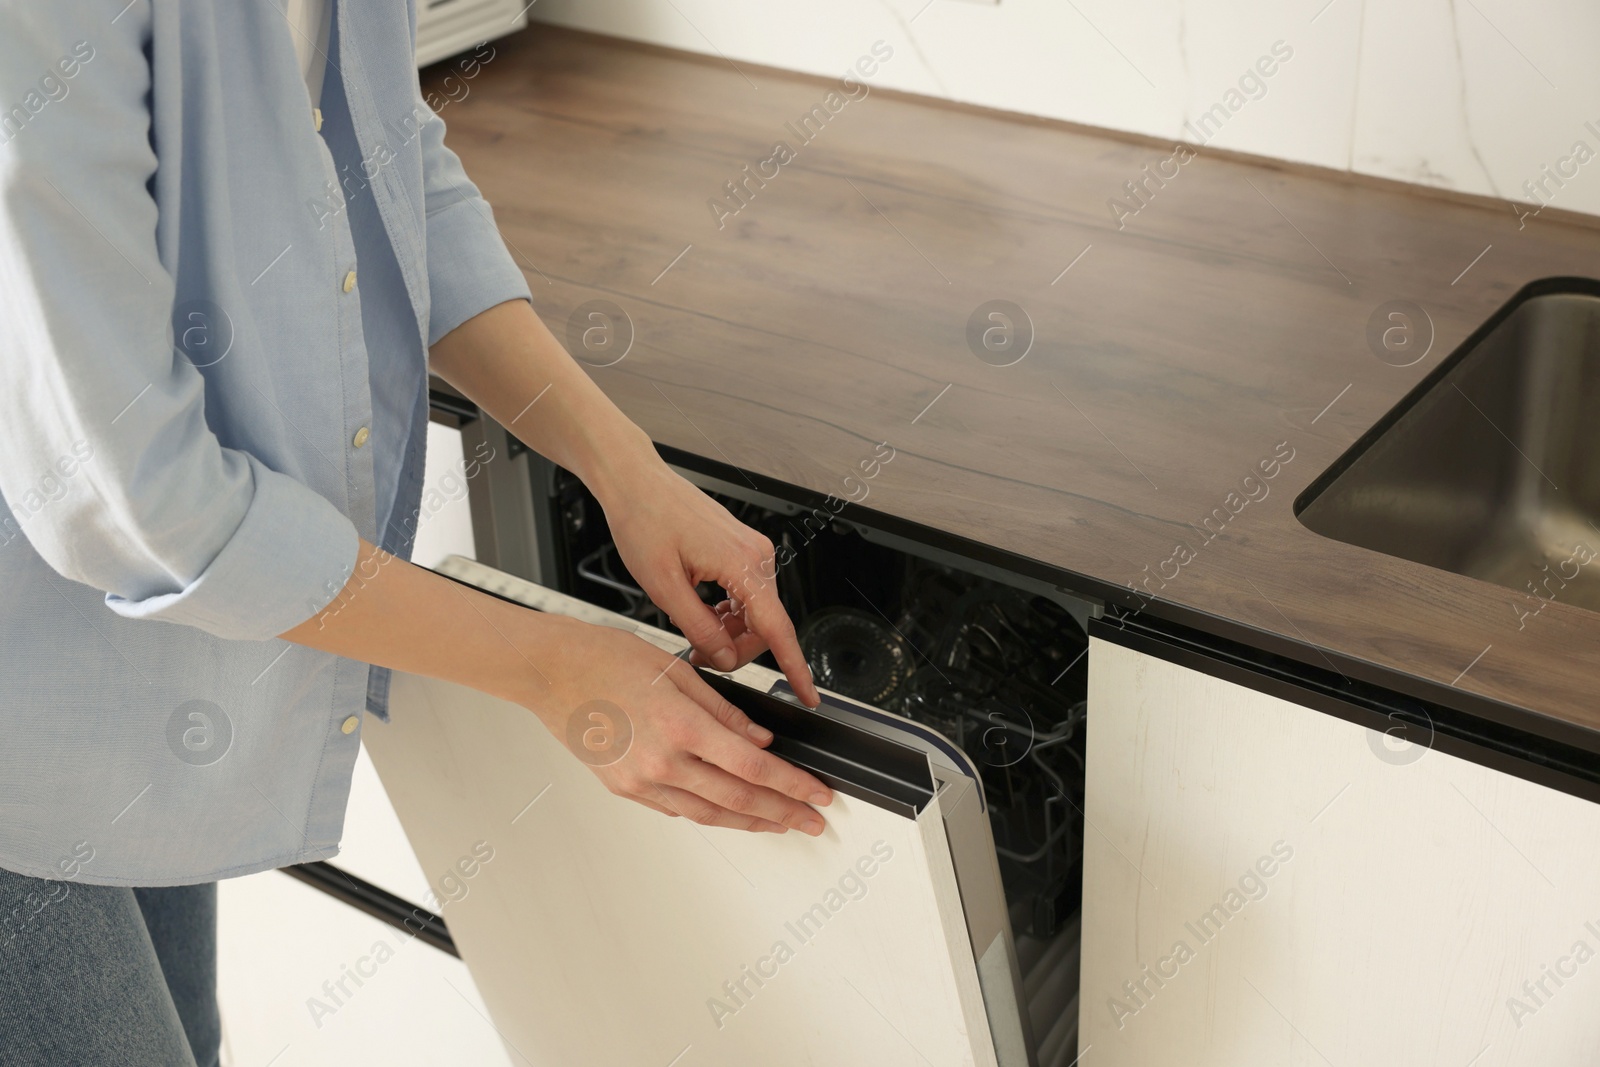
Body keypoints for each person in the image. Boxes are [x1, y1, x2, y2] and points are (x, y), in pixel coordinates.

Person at [0, 3, 832, 1063]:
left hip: (129, 670)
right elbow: (136, 493)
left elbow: (386, 164)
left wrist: (628, 473)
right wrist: (548, 666)